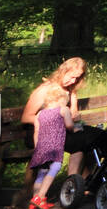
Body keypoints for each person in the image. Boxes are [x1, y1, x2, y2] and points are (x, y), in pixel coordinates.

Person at [22, 57, 98, 196]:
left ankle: (76, 184)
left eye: (77, 78)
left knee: (90, 137)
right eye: (72, 77)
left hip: (60, 131)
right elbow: (26, 117)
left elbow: (74, 115)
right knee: (81, 141)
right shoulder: (45, 89)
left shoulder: (70, 90)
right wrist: (50, 121)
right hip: (40, 134)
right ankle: (71, 187)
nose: (74, 81)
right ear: (63, 71)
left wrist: (73, 98)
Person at [26, 83, 76, 209]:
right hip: (54, 147)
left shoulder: (40, 114)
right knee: (55, 167)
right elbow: (69, 126)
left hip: (41, 148)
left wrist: (38, 147)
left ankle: (34, 200)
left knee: (41, 172)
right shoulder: (63, 110)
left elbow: (36, 132)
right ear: (60, 100)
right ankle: (40, 197)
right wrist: (76, 128)